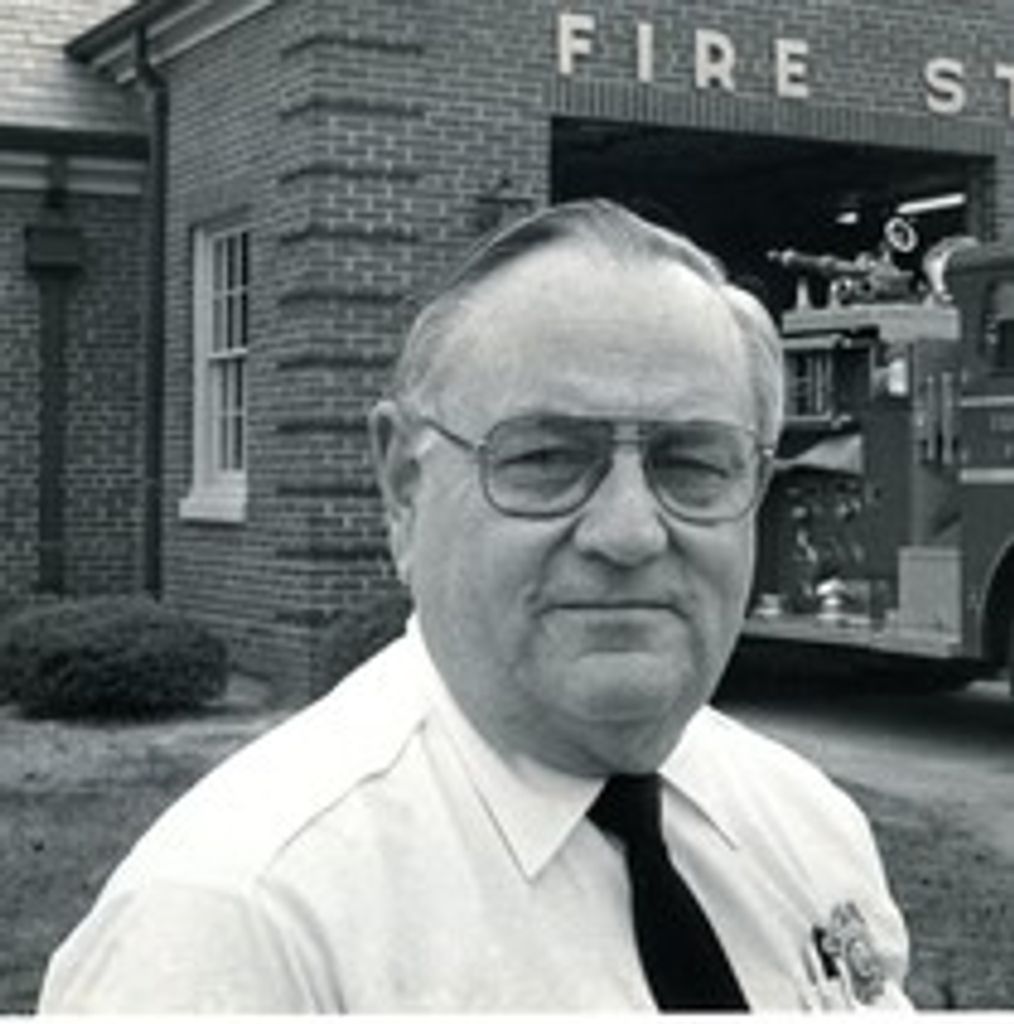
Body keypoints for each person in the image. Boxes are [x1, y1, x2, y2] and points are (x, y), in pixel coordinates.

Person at [39, 199, 911, 1013]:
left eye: (692, 463)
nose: (630, 532)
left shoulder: (808, 827)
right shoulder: (236, 928)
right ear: (404, 487)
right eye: (543, 458)